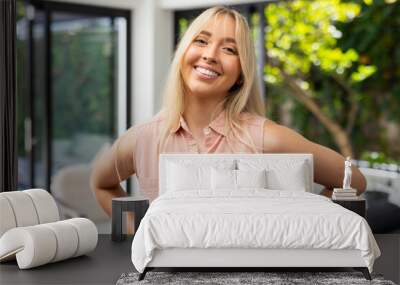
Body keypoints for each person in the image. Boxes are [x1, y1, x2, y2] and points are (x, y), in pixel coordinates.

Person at [90, 6, 366, 224]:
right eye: (201, 40)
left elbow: (353, 180)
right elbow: (102, 185)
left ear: (240, 74)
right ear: (183, 51)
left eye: (229, 49)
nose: (210, 55)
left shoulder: (265, 137)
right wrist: (138, 233)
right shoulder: (142, 139)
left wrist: (306, 221)